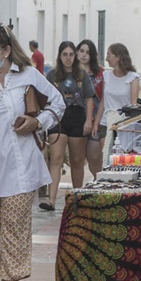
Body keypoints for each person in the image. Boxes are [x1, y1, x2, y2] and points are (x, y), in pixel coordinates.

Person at [0, 23, 63, 281]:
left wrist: (38, 122)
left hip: (20, 164)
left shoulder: (27, 75)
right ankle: (3, 279)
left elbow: (58, 102)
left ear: (5, 50)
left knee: (14, 223)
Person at [42, 41, 95, 212]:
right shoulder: (52, 75)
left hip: (77, 116)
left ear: (75, 56)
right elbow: (44, 97)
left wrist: (88, 121)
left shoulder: (82, 75)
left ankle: (77, 197)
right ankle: (51, 199)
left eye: (71, 54)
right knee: (56, 158)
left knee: (77, 160)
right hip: (58, 117)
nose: (68, 58)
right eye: (65, 54)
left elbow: (89, 99)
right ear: (59, 56)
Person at [98, 43, 140, 161]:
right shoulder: (106, 76)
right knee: (106, 157)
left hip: (124, 124)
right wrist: (96, 123)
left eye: (109, 55)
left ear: (118, 57)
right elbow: (103, 101)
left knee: (122, 158)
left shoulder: (133, 78)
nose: (106, 59)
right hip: (106, 123)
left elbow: (133, 104)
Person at [76, 39, 105, 177]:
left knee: (95, 157)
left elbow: (104, 98)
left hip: (95, 119)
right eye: (81, 51)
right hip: (76, 120)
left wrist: (96, 122)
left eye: (88, 52)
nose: (84, 55)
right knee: (77, 159)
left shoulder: (101, 74)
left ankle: (97, 181)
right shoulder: (70, 72)